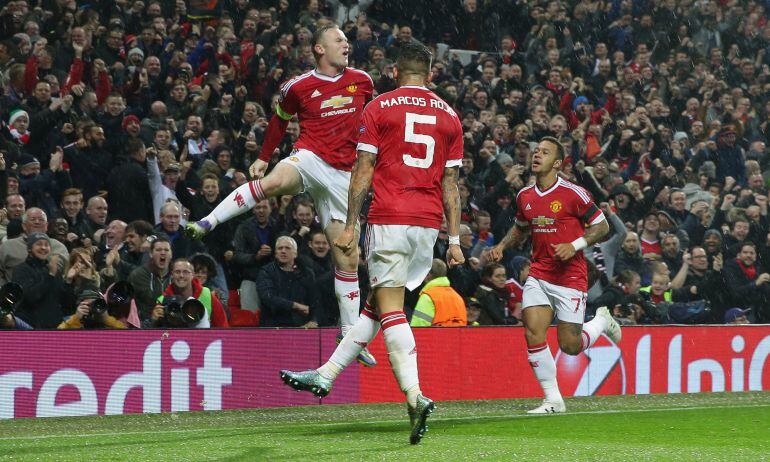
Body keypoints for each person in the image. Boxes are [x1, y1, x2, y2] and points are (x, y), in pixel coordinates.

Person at [280, 42, 465, 444]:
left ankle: (415, 397)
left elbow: (362, 169)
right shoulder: (450, 116)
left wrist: (349, 224)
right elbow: (451, 185)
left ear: (396, 72)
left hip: (390, 218)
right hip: (427, 225)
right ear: (430, 75)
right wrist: (453, 238)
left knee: (391, 307)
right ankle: (325, 375)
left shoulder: (379, 107)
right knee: (376, 305)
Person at [184, 25, 375, 364]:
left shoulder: (362, 81)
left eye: (347, 40)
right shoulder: (297, 87)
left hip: (346, 176)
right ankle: (207, 221)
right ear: (319, 48)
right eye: (339, 40)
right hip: (311, 157)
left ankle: (348, 335)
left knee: (346, 257)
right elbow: (279, 121)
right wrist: (262, 156)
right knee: (271, 183)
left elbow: (373, 123)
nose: (346, 44)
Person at [489, 136, 619, 414]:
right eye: (536, 151)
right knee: (533, 331)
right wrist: (502, 245)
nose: (537, 155)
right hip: (539, 272)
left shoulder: (574, 194)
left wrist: (574, 245)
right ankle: (553, 400)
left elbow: (602, 226)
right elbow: (522, 227)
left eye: (544, 152)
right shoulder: (525, 196)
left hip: (570, 277)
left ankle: (600, 322)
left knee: (570, 346)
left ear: (558, 163)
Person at [410, 259, 466, 327]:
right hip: (457, 337)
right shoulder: (458, 298)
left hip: (435, 337)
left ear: (428, 274)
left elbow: (418, 327)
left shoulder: (428, 297)